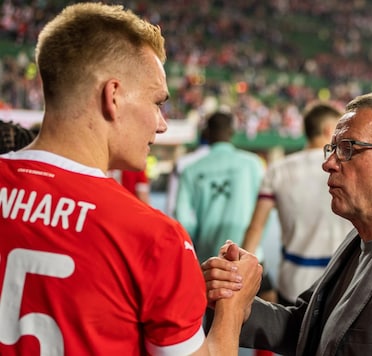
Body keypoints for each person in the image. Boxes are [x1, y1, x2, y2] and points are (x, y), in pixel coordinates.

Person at [0, 3, 261, 355]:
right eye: (157, 102)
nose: (162, 123)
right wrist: (234, 305)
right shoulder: (154, 239)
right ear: (113, 96)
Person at [205, 91, 372, 355]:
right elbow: (306, 327)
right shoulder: (361, 237)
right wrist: (229, 300)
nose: (329, 163)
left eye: (348, 149)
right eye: (333, 148)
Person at [241, 102, 353, 306]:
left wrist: (241, 281)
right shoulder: (350, 168)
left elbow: (255, 229)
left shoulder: (278, 170)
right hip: (344, 282)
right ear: (330, 130)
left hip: (293, 283)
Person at [173, 111, 275, 324]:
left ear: (206, 133)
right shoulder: (253, 163)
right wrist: (254, 245)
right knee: (265, 312)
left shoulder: (191, 170)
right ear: (231, 132)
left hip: (211, 258)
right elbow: (265, 211)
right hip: (249, 254)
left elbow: (183, 219)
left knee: (215, 321)